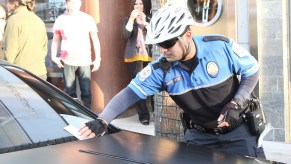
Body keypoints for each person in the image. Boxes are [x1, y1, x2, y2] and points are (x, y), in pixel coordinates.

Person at [79, 4, 265, 158]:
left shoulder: (220, 47)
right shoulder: (160, 70)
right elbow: (130, 93)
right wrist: (102, 121)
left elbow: (252, 70)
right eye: (159, 45)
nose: (163, 50)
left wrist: (236, 101)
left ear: (187, 36)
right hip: (200, 137)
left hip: (239, 134)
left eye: (168, 43)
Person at [51, 0, 101, 109]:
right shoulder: (60, 19)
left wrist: (98, 59)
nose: (74, 4)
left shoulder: (87, 19)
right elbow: (55, 40)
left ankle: (88, 116)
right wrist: (53, 56)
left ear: (80, 3)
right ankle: (74, 115)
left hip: (84, 60)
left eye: (77, 2)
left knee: (86, 92)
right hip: (67, 60)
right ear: (66, 4)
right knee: (70, 92)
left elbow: (95, 40)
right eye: (71, 2)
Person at [122, 0, 152, 125]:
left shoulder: (149, 18)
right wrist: (131, 19)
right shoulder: (128, 19)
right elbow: (125, 35)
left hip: (149, 57)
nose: (138, 6)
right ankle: (143, 115)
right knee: (139, 86)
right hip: (134, 57)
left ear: (144, 6)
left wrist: (146, 23)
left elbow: (154, 35)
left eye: (141, 3)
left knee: (151, 84)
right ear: (133, 6)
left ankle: (155, 111)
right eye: (136, 4)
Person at [2, 0, 48, 80]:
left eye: (7, 2)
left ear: (15, 2)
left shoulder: (13, 21)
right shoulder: (39, 21)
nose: (6, 5)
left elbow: (9, 56)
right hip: (41, 74)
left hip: (22, 76)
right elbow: (44, 50)